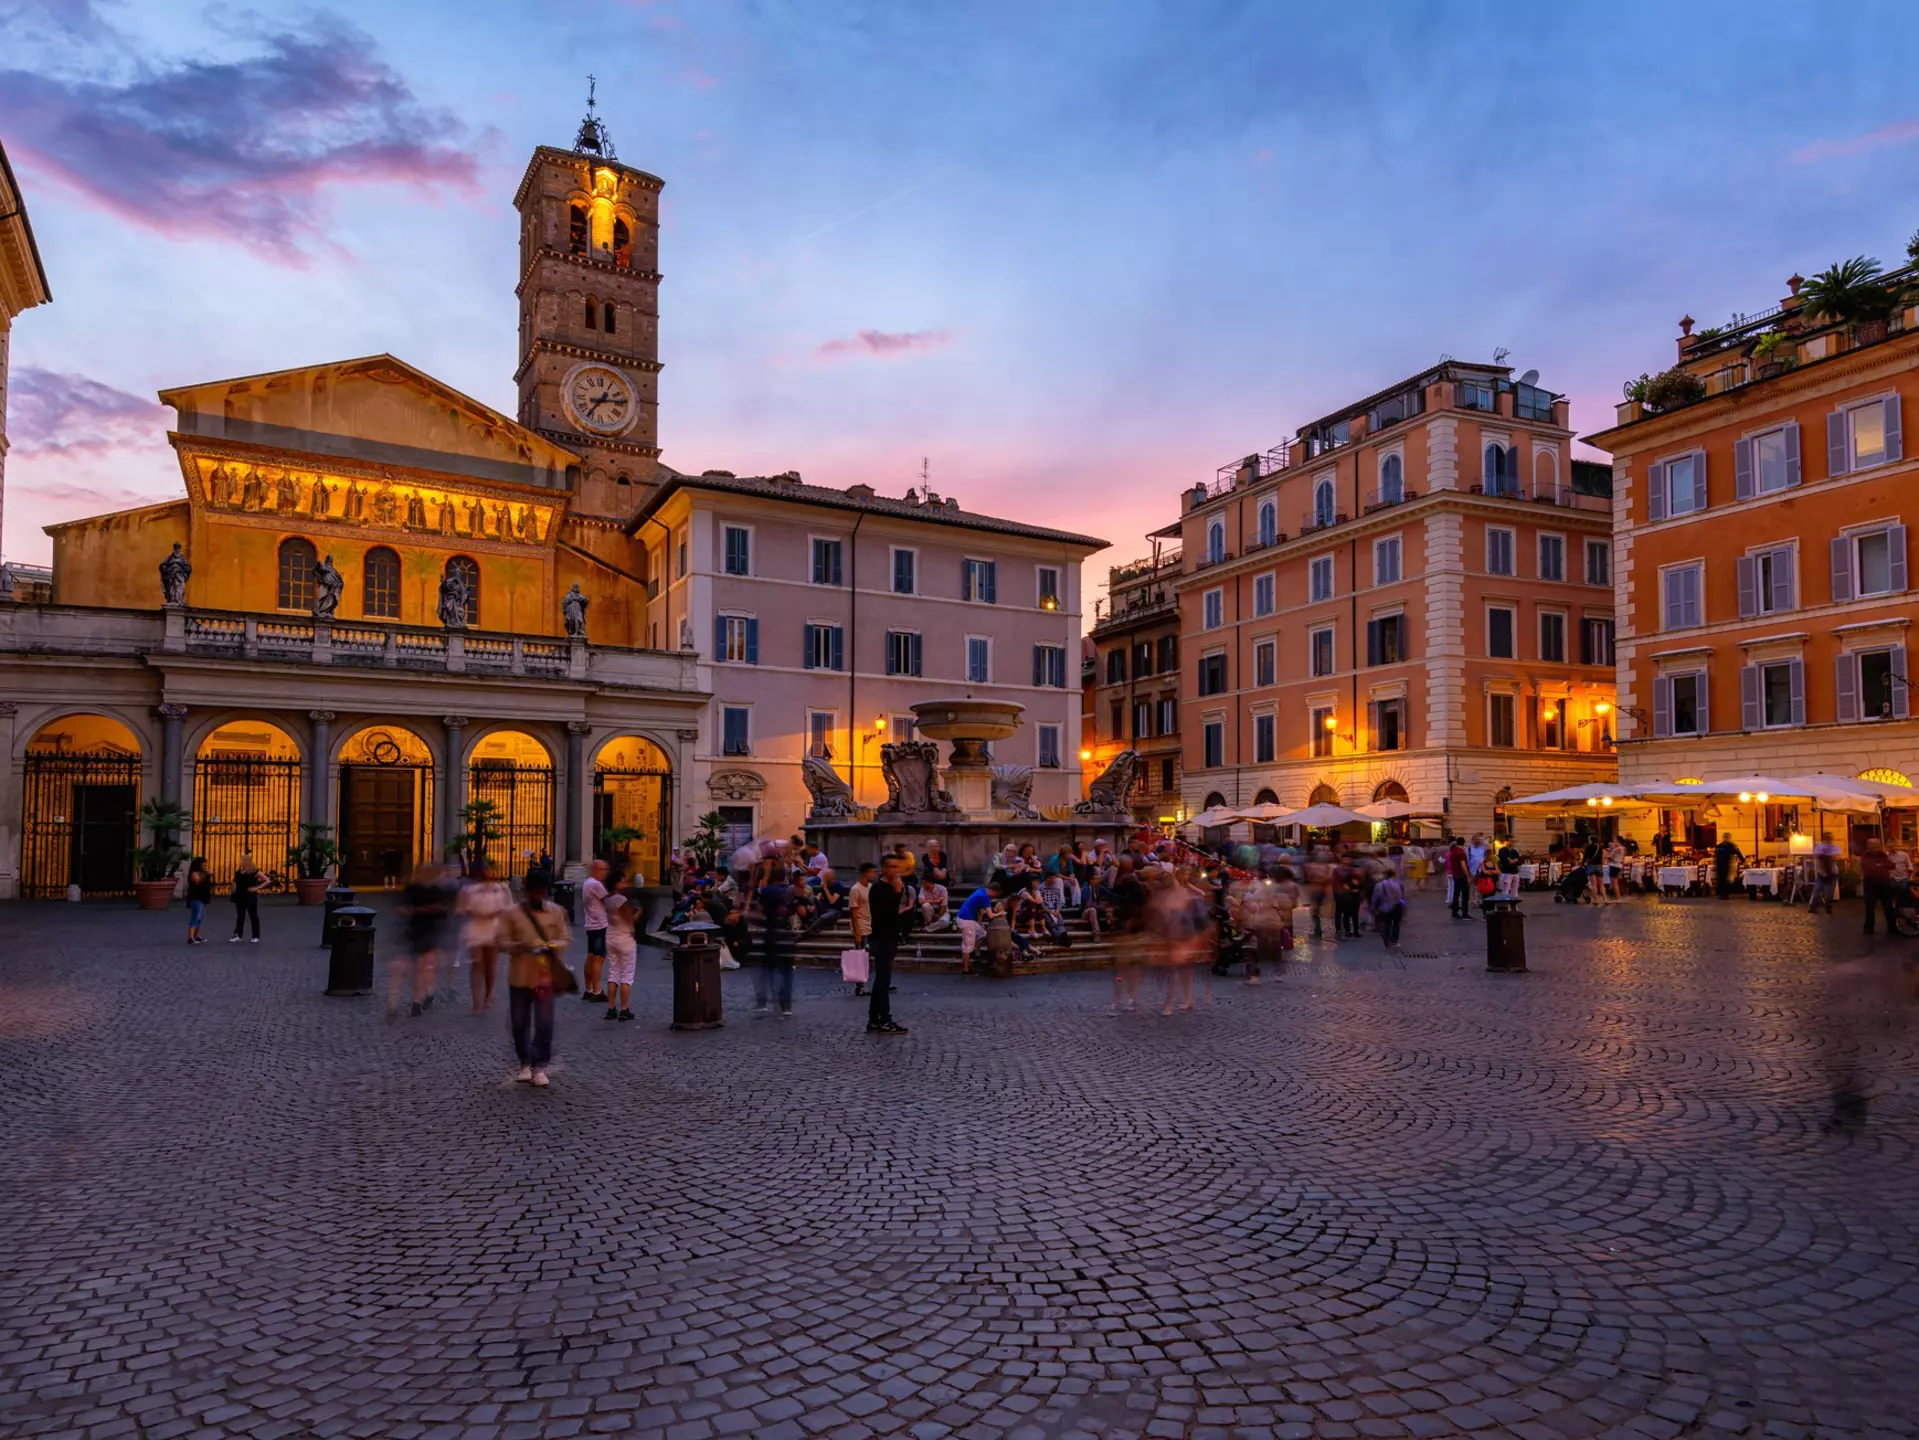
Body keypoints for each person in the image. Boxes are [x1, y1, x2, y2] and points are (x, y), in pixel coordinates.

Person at [496, 868, 571, 1086]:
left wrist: (553, 946)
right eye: (534, 892)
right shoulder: (511, 914)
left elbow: (565, 938)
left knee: (545, 1022)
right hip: (520, 976)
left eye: (541, 892)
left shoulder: (556, 912)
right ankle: (524, 1061)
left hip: (544, 977)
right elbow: (501, 942)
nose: (538, 896)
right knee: (519, 1022)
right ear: (527, 890)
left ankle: (540, 1066)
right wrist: (521, 945)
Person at [395, 862, 453, 1016]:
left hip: (431, 931)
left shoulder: (438, 890)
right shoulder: (413, 889)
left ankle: (417, 1001)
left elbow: (444, 910)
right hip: (417, 931)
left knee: (423, 966)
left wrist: (416, 910)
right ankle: (428, 992)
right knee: (422, 967)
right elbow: (402, 907)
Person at [458, 862, 512, 1012]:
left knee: (490, 964)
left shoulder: (502, 889)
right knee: (476, 963)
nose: (489, 872)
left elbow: (509, 908)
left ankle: (488, 995)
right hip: (476, 928)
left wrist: (497, 913)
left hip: (494, 928)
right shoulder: (470, 890)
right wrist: (471, 912)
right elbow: (462, 908)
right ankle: (476, 1000)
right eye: (486, 869)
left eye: (491, 870)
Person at [865, 855, 908, 1034]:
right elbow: (887, 911)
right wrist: (898, 892)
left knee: (882, 981)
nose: (895, 870)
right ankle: (884, 1019)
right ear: (884, 869)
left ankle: (874, 1019)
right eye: (892, 866)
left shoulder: (889, 887)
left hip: (889, 937)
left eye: (897, 866)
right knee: (883, 981)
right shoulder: (878, 888)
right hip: (882, 938)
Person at [603, 882, 640, 1022]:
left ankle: (611, 1008)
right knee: (626, 975)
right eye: (622, 881)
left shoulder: (607, 900)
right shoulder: (621, 900)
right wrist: (639, 911)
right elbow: (630, 920)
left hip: (611, 937)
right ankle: (624, 1009)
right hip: (625, 939)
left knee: (613, 972)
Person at [579, 858, 610, 1005]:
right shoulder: (596, 884)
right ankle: (597, 991)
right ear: (596, 870)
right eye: (603, 870)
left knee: (591, 956)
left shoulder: (587, 883)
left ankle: (588, 989)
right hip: (599, 925)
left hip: (591, 924)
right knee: (598, 958)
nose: (605, 873)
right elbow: (608, 901)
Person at [848, 861, 875, 997]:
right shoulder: (855, 889)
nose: (874, 875)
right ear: (865, 873)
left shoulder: (870, 887)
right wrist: (857, 933)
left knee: (867, 956)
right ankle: (860, 986)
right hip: (861, 925)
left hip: (870, 924)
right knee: (860, 957)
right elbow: (853, 913)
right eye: (872, 872)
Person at [1860, 838, 1897, 936]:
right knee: (1870, 907)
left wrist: (1880, 865)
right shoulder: (1865, 856)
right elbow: (1868, 868)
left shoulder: (1883, 855)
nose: (1875, 847)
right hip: (1870, 884)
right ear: (1868, 846)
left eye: (1877, 845)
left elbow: (1892, 866)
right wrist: (1881, 865)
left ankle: (1893, 928)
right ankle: (1868, 929)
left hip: (1884, 884)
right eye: (1872, 845)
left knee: (1888, 906)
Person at [1369, 868, 1406, 950]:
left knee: (1386, 924)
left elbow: (1375, 897)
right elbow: (1402, 897)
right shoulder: (1399, 883)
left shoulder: (1379, 885)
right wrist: (1403, 905)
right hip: (1397, 906)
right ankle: (1394, 941)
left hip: (1385, 907)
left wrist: (1373, 907)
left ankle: (1387, 941)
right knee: (1396, 924)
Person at [229, 853, 262, 943]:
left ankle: (255, 935)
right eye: (242, 860)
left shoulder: (254, 871)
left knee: (253, 916)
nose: (242, 862)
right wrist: (233, 890)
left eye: (244, 860)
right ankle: (238, 934)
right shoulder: (239, 871)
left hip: (250, 896)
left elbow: (266, 880)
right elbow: (235, 881)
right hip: (239, 895)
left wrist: (256, 888)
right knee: (240, 916)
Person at [1807, 832, 1841, 914]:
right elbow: (1816, 856)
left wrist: (1824, 855)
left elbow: (1835, 857)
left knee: (1829, 892)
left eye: (1830, 838)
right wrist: (1826, 855)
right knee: (1817, 890)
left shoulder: (1835, 847)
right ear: (1824, 839)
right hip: (1821, 873)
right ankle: (1813, 907)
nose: (1829, 840)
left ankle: (1828, 908)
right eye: (1827, 838)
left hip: (1832, 873)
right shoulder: (1819, 847)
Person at [185, 856, 212, 944]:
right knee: (195, 917)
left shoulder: (203, 873)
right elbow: (197, 881)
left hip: (203, 897)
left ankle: (197, 935)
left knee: (200, 917)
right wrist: (206, 874)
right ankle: (191, 937)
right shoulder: (194, 873)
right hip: (196, 898)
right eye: (204, 865)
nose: (205, 866)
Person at [1712, 834, 1744, 900]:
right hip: (1726, 864)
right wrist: (1743, 861)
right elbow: (1738, 853)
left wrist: (1714, 864)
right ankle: (1724, 894)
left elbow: (1715, 856)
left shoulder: (1719, 846)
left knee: (1721, 879)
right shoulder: (1731, 846)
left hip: (1720, 864)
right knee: (1725, 879)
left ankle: (1722, 894)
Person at [1446, 838, 1472, 919]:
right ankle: (1465, 913)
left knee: (1456, 894)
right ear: (1463, 843)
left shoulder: (1453, 851)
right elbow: (1463, 865)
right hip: (1462, 876)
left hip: (1455, 875)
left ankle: (1454, 912)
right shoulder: (1461, 852)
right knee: (1465, 895)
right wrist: (1468, 876)